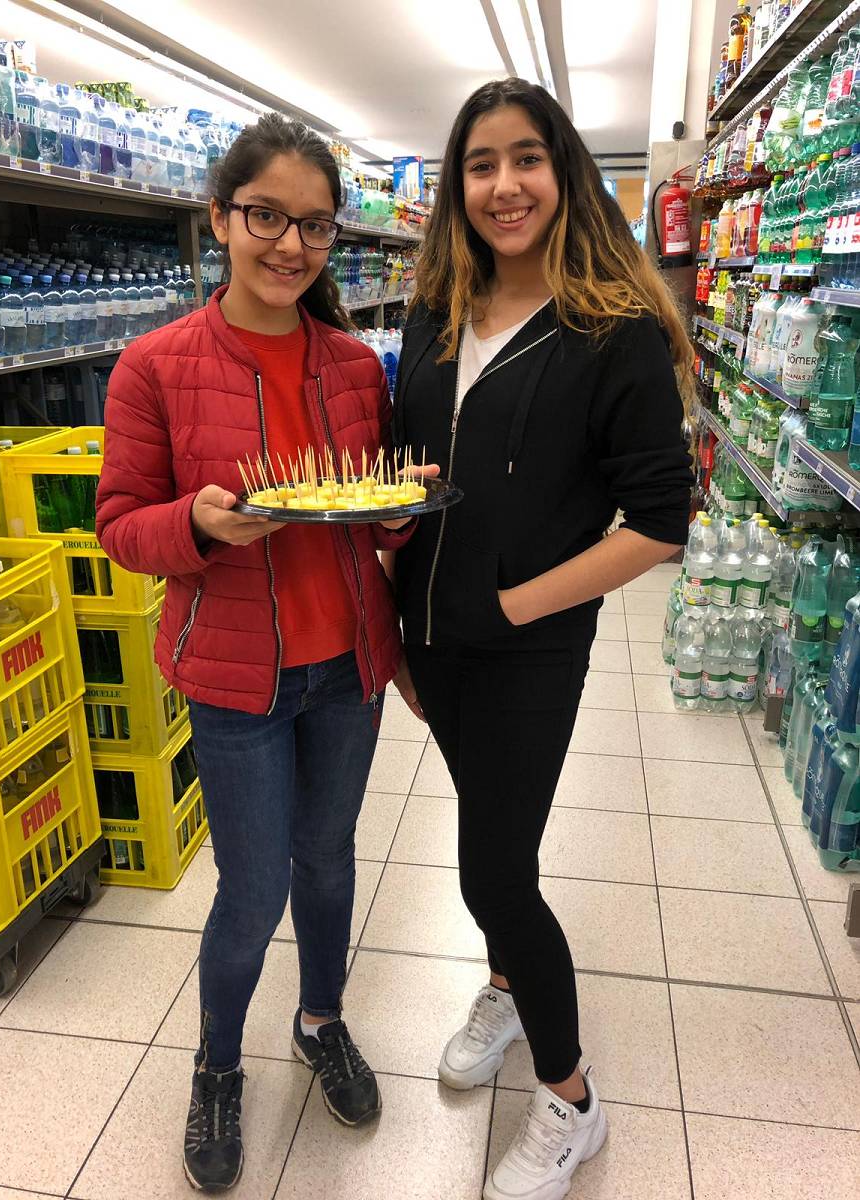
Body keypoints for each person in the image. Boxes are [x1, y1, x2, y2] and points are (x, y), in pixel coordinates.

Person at [95, 112, 415, 1194]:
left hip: (347, 670)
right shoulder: (154, 366)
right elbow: (120, 525)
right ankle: (218, 1064)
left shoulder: (355, 366)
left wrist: (400, 517)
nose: (291, 245)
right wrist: (196, 524)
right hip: (236, 678)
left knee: (328, 863)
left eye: (315, 226)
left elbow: (372, 516)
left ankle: (320, 1021)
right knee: (249, 889)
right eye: (267, 217)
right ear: (221, 218)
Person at [386, 79, 694, 1200]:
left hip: (528, 650)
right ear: (456, 186)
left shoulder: (613, 331)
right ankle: (509, 990)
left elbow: (659, 523)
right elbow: (411, 477)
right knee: (488, 832)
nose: (504, 185)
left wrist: (514, 606)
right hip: (431, 642)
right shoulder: (433, 314)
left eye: (526, 158)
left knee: (494, 873)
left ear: (563, 171)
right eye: (481, 164)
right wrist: (398, 612)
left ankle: (572, 1100)